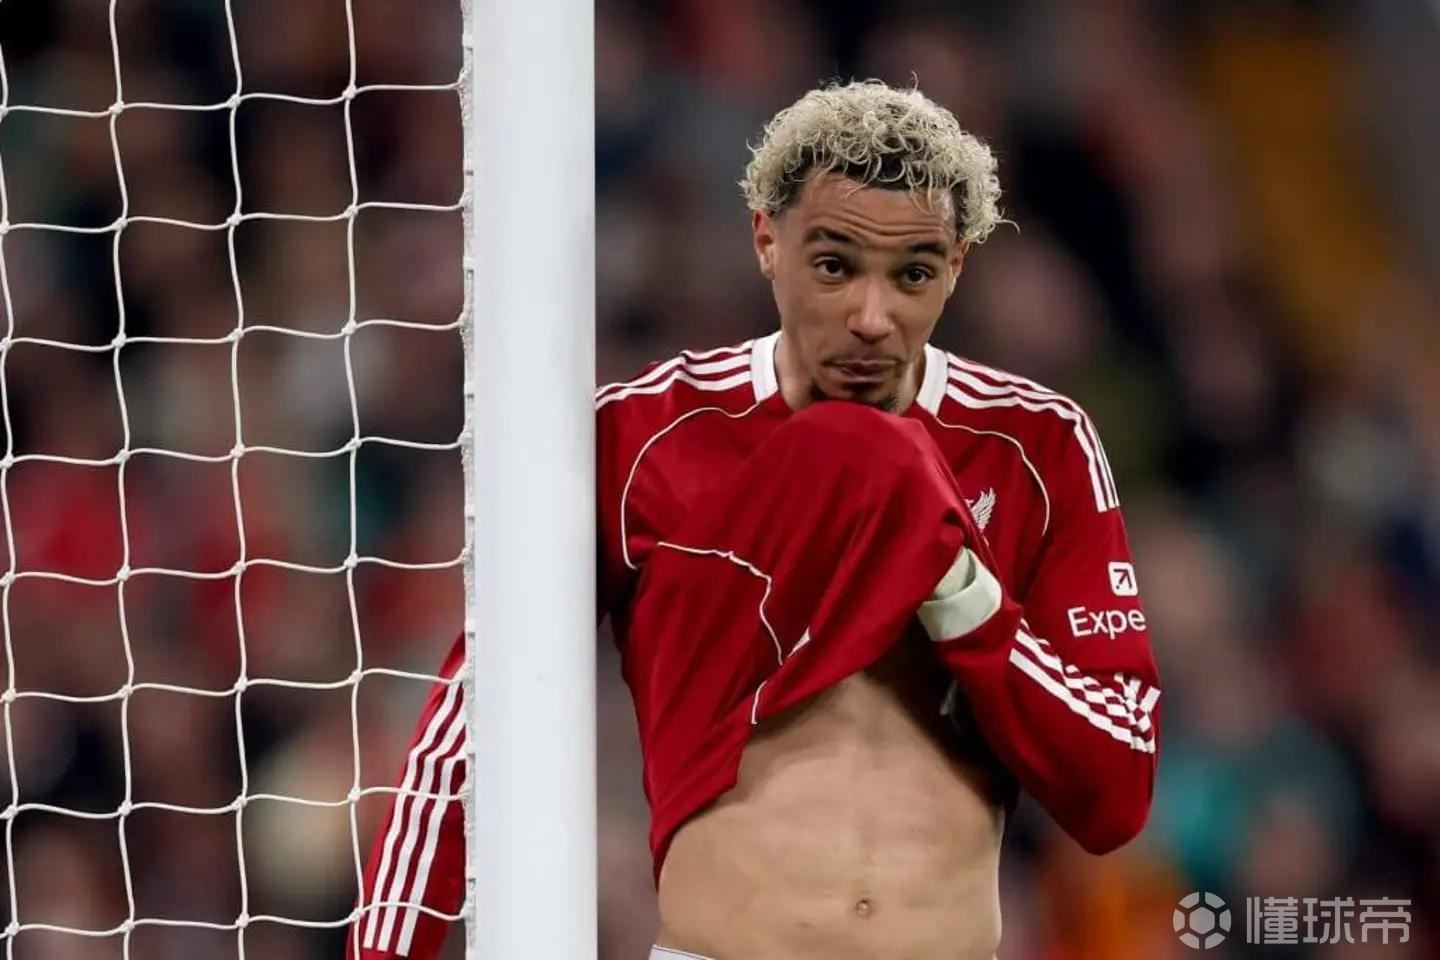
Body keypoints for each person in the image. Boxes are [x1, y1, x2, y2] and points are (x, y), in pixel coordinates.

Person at [348, 79, 1162, 960]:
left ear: (957, 267)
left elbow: (1115, 788)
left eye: (913, 274)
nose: (872, 318)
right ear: (766, 242)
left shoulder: (1035, 444)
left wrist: (961, 589)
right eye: (835, 266)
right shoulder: (645, 436)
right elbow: (467, 726)